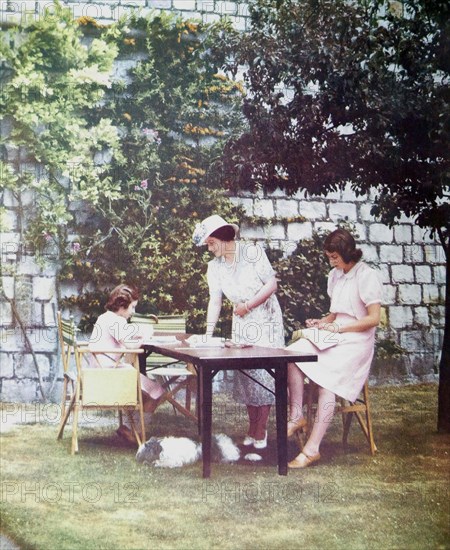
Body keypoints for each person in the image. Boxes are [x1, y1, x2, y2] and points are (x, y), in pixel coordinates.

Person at [286, 228, 383, 468]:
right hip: (335, 333)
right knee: (293, 352)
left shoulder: (366, 275)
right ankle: (297, 415)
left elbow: (373, 319)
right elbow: (336, 313)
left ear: (348, 253)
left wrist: (338, 329)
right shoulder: (335, 275)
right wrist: (322, 323)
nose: (331, 261)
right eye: (329, 257)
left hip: (357, 341)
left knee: (326, 381)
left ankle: (312, 448)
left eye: (335, 257)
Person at [193, 214, 285, 449]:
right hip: (242, 321)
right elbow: (215, 301)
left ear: (223, 238)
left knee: (263, 373)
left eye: (211, 243)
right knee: (247, 375)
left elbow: (272, 285)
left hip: (264, 316)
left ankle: (261, 430)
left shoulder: (252, 253)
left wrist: (248, 305)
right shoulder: (214, 267)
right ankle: (252, 427)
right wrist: (209, 333)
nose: (209, 249)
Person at [89, 284, 164, 442]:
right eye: (132, 307)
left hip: (97, 373)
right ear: (122, 306)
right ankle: (132, 430)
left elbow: (122, 338)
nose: (133, 312)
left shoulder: (105, 317)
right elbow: (131, 347)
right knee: (157, 391)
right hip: (111, 376)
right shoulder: (117, 321)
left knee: (144, 392)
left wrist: (136, 334)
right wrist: (145, 338)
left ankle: (129, 427)